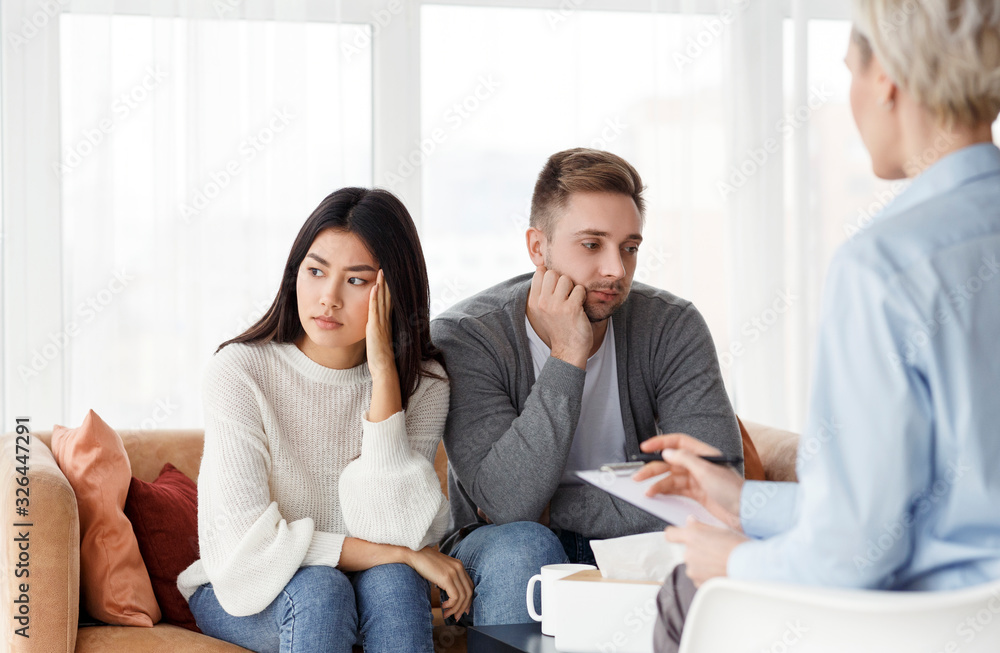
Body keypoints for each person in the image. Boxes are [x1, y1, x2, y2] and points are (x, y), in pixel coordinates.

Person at [637, 1, 1000, 649]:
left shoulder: (885, 264)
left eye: (850, 71)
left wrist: (734, 559)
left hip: (918, 630)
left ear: (885, 77)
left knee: (688, 590)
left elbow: (854, 555)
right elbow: (919, 510)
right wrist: (744, 500)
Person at [430, 148, 746, 626]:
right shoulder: (467, 336)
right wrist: (568, 354)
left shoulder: (672, 326)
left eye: (629, 247)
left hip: (631, 542)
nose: (616, 269)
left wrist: (553, 506)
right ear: (538, 247)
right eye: (592, 245)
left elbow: (717, 489)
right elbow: (504, 506)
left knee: (711, 550)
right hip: (503, 546)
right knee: (524, 545)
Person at [176, 188, 474, 653]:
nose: (328, 298)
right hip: (244, 588)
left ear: (394, 290)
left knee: (396, 582)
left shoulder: (423, 384)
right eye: (315, 271)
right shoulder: (240, 372)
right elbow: (246, 548)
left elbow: (397, 529)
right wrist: (399, 553)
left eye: (356, 280)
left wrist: (384, 377)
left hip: (361, 582)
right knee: (324, 589)